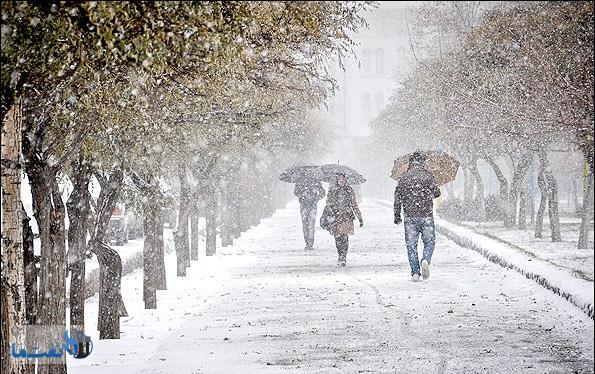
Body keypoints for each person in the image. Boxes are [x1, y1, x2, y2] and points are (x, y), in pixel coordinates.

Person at [393, 151, 441, 282]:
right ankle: (425, 259)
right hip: (426, 215)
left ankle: (415, 273)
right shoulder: (428, 175)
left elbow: (397, 199)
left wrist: (397, 215)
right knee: (429, 242)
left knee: (411, 245)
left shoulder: (403, 177)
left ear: (411, 162)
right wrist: (427, 191)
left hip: (410, 216)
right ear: (422, 162)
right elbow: (437, 193)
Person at [321, 173, 363, 266]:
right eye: (340, 180)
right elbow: (328, 202)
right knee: (337, 237)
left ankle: (343, 256)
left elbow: (354, 204)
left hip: (346, 216)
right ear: (337, 180)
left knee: (345, 237)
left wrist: (359, 217)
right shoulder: (332, 190)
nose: (342, 182)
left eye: (344, 180)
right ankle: (340, 255)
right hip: (336, 216)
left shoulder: (349, 190)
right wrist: (333, 208)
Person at [294, 180, 326, 250]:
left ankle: (310, 243)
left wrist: (316, 198)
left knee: (311, 225)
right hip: (303, 205)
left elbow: (323, 192)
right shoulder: (300, 181)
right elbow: (295, 191)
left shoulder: (316, 181)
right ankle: (307, 242)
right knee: (305, 224)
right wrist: (302, 194)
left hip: (312, 205)